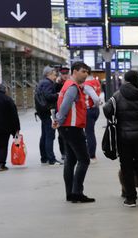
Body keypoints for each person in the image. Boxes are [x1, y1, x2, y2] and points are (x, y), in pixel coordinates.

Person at [103, 70, 138, 207]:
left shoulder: (118, 95)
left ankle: (131, 198)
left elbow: (107, 110)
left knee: (126, 167)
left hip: (124, 138)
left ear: (125, 80)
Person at [53, 62, 95, 203]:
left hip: (66, 128)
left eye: (87, 72)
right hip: (72, 127)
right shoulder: (72, 87)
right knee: (84, 160)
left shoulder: (67, 86)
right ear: (75, 71)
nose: (85, 74)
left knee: (70, 161)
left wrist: (58, 120)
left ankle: (70, 193)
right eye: (83, 71)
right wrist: (59, 118)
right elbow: (65, 105)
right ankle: (77, 192)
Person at [36, 66, 62, 165]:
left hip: (43, 112)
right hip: (48, 112)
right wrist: (58, 95)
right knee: (50, 136)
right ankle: (51, 159)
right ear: (48, 74)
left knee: (44, 135)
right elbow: (48, 96)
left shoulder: (42, 82)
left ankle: (44, 157)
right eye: (54, 75)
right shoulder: (47, 83)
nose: (55, 77)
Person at [83, 73, 102, 164]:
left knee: (89, 133)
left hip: (89, 110)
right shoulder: (96, 81)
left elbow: (95, 98)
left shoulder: (87, 84)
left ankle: (91, 155)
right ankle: (90, 153)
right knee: (90, 132)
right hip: (95, 110)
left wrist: (95, 104)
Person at [54, 67, 70, 161]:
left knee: (70, 133)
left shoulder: (71, 83)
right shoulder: (56, 85)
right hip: (59, 111)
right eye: (63, 74)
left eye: (66, 73)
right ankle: (63, 153)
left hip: (69, 112)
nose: (64, 75)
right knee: (61, 134)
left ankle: (69, 151)